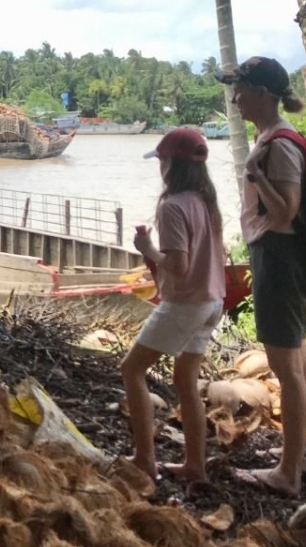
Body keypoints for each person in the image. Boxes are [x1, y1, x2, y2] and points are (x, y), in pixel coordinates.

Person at [217, 55, 306, 497]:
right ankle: (297, 457)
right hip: (279, 254)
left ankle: (288, 474)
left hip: (280, 255)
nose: (234, 98)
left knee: (285, 367)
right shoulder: (270, 138)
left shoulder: (280, 145)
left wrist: (256, 173)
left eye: (240, 90)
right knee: (295, 360)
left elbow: (286, 210)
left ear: (261, 93)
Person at [123, 127, 226, 483]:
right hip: (213, 301)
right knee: (185, 380)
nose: (160, 167)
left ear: (170, 165)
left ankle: (144, 459)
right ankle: (195, 466)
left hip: (186, 303)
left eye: (162, 160)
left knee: (131, 370)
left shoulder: (172, 207)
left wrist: (148, 250)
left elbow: (178, 265)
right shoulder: (205, 202)